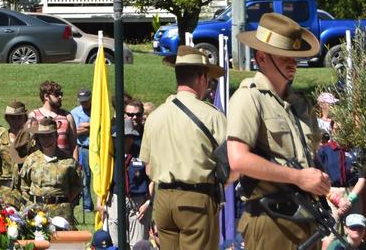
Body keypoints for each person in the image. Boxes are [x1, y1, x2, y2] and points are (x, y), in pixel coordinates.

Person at [228, 13, 330, 250]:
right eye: (285, 56)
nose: (293, 62)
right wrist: (299, 177)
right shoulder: (249, 97)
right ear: (262, 57)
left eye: (295, 56)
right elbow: (238, 159)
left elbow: (310, 156)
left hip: (306, 217)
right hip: (270, 221)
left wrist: (321, 179)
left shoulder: (300, 104)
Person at [140, 45, 227, 250]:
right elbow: (232, 161)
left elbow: (148, 167)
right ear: (201, 77)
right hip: (196, 199)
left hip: (162, 200)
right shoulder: (212, 116)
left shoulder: (155, 116)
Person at [14, 118, 80, 227]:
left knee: (63, 242)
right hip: (36, 211)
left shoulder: (68, 162)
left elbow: (76, 187)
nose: (46, 139)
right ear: (38, 138)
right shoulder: (31, 160)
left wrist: (59, 200)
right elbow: (24, 187)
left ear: (56, 136)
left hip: (61, 211)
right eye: (42, 136)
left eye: (49, 135)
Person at [104, 119, 150, 245]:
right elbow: (102, 178)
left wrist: (148, 202)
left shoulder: (142, 152)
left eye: (128, 137)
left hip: (138, 201)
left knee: (138, 242)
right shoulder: (110, 154)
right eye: (120, 137)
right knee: (117, 241)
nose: (125, 140)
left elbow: (153, 179)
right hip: (115, 198)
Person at [29, 81, 77, 158]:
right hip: (42, 164)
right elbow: (29, 144)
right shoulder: (34, 116)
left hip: (65, 164)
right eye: (57, 95)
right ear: (46, 96)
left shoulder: (67, 116)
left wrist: (76, 165)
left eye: (61, 94)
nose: (60, 97)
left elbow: (74, 145)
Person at [0, 101, 34, 207]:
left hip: (28, 189)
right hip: (6, 191)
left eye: (19, 117)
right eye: (12, 118)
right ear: (7, 119)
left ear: (25, 118)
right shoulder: (0, 138)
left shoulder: (33, 139)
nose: (15, 121)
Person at [69, 89, 94, 211]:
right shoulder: (75, 112)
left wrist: (86, 125)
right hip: (83, 148)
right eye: (82, 101)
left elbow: (103, 125)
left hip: (98, 148)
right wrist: (92, 126)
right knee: (85, 177)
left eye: (86, 101)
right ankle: (87, 206)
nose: (84, 103)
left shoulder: (98, 109)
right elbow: (75, 131)